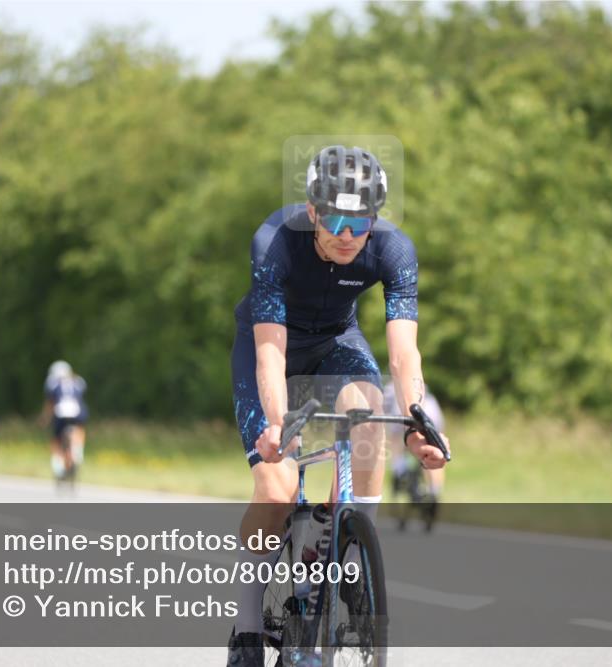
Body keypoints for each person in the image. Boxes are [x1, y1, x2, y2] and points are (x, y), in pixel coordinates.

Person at [227, 145, 450, 665]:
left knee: (369, 411)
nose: (348, 233)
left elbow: (403, 352)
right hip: (271, 350)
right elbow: (269, 351)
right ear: (312, 211)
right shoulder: (275, 242)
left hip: (336, 343)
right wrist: (278, 424)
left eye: (361, 220)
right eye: (335, 218)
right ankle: (248, 625)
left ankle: (350, 556)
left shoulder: (394, 250)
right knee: (278, 486)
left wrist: (417, 417)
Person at [383, 381, 446, 501]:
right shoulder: (419, 382)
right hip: (432, 410)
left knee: (396, 440)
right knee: (436, 452)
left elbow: (382, 411)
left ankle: (400, 469)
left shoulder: (390, 387)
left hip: (403, 412)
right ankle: (434, 491)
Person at [41, 360, 88, 480]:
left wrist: (45, 419)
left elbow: (50, 403)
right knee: (79, 429)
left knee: (56, 438)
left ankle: (58, 465)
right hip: (77, 413)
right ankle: (78, 451)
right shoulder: (78, 380)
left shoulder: (52, 382)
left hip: (60, 413)